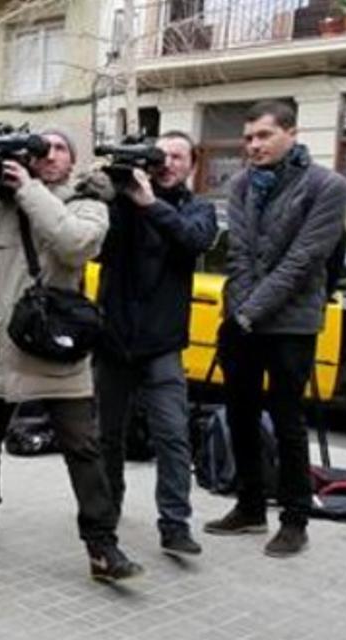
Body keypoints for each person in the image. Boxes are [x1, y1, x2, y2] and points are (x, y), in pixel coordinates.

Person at [0, 128, 144, 582]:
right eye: (42, 148)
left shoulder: (87, 202)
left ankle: (102, 545)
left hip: (56, 345)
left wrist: (30, 190)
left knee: (82, 445)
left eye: (60, 148)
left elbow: (76, 245)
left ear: (72, 161)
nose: (49, 155)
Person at [204, 100, 346, 557]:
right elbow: (240, 254)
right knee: (241, 416)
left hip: (293, 324)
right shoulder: (244, 183)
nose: (253, 146)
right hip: (243, 320)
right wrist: (240, 314)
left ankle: (294, 520)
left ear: (291, 133)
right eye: (248, 138)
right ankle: (249, 507)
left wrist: (253, 311)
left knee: (288, 422)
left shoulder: (327, 186)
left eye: (263, 136)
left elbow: (304, 261)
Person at [96, 131, 218, 556]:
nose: (167, 162)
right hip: (114, 340)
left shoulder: (198, 208)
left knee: (172, 435)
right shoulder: (122, 201)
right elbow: (95, 249)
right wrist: (113, 195)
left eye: (178, 156)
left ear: (192, 165)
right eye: (160, 154)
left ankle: (175, 524)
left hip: (163, 345)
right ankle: (107, 508)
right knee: (107, 435)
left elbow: (194, 240)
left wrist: (150, 204)